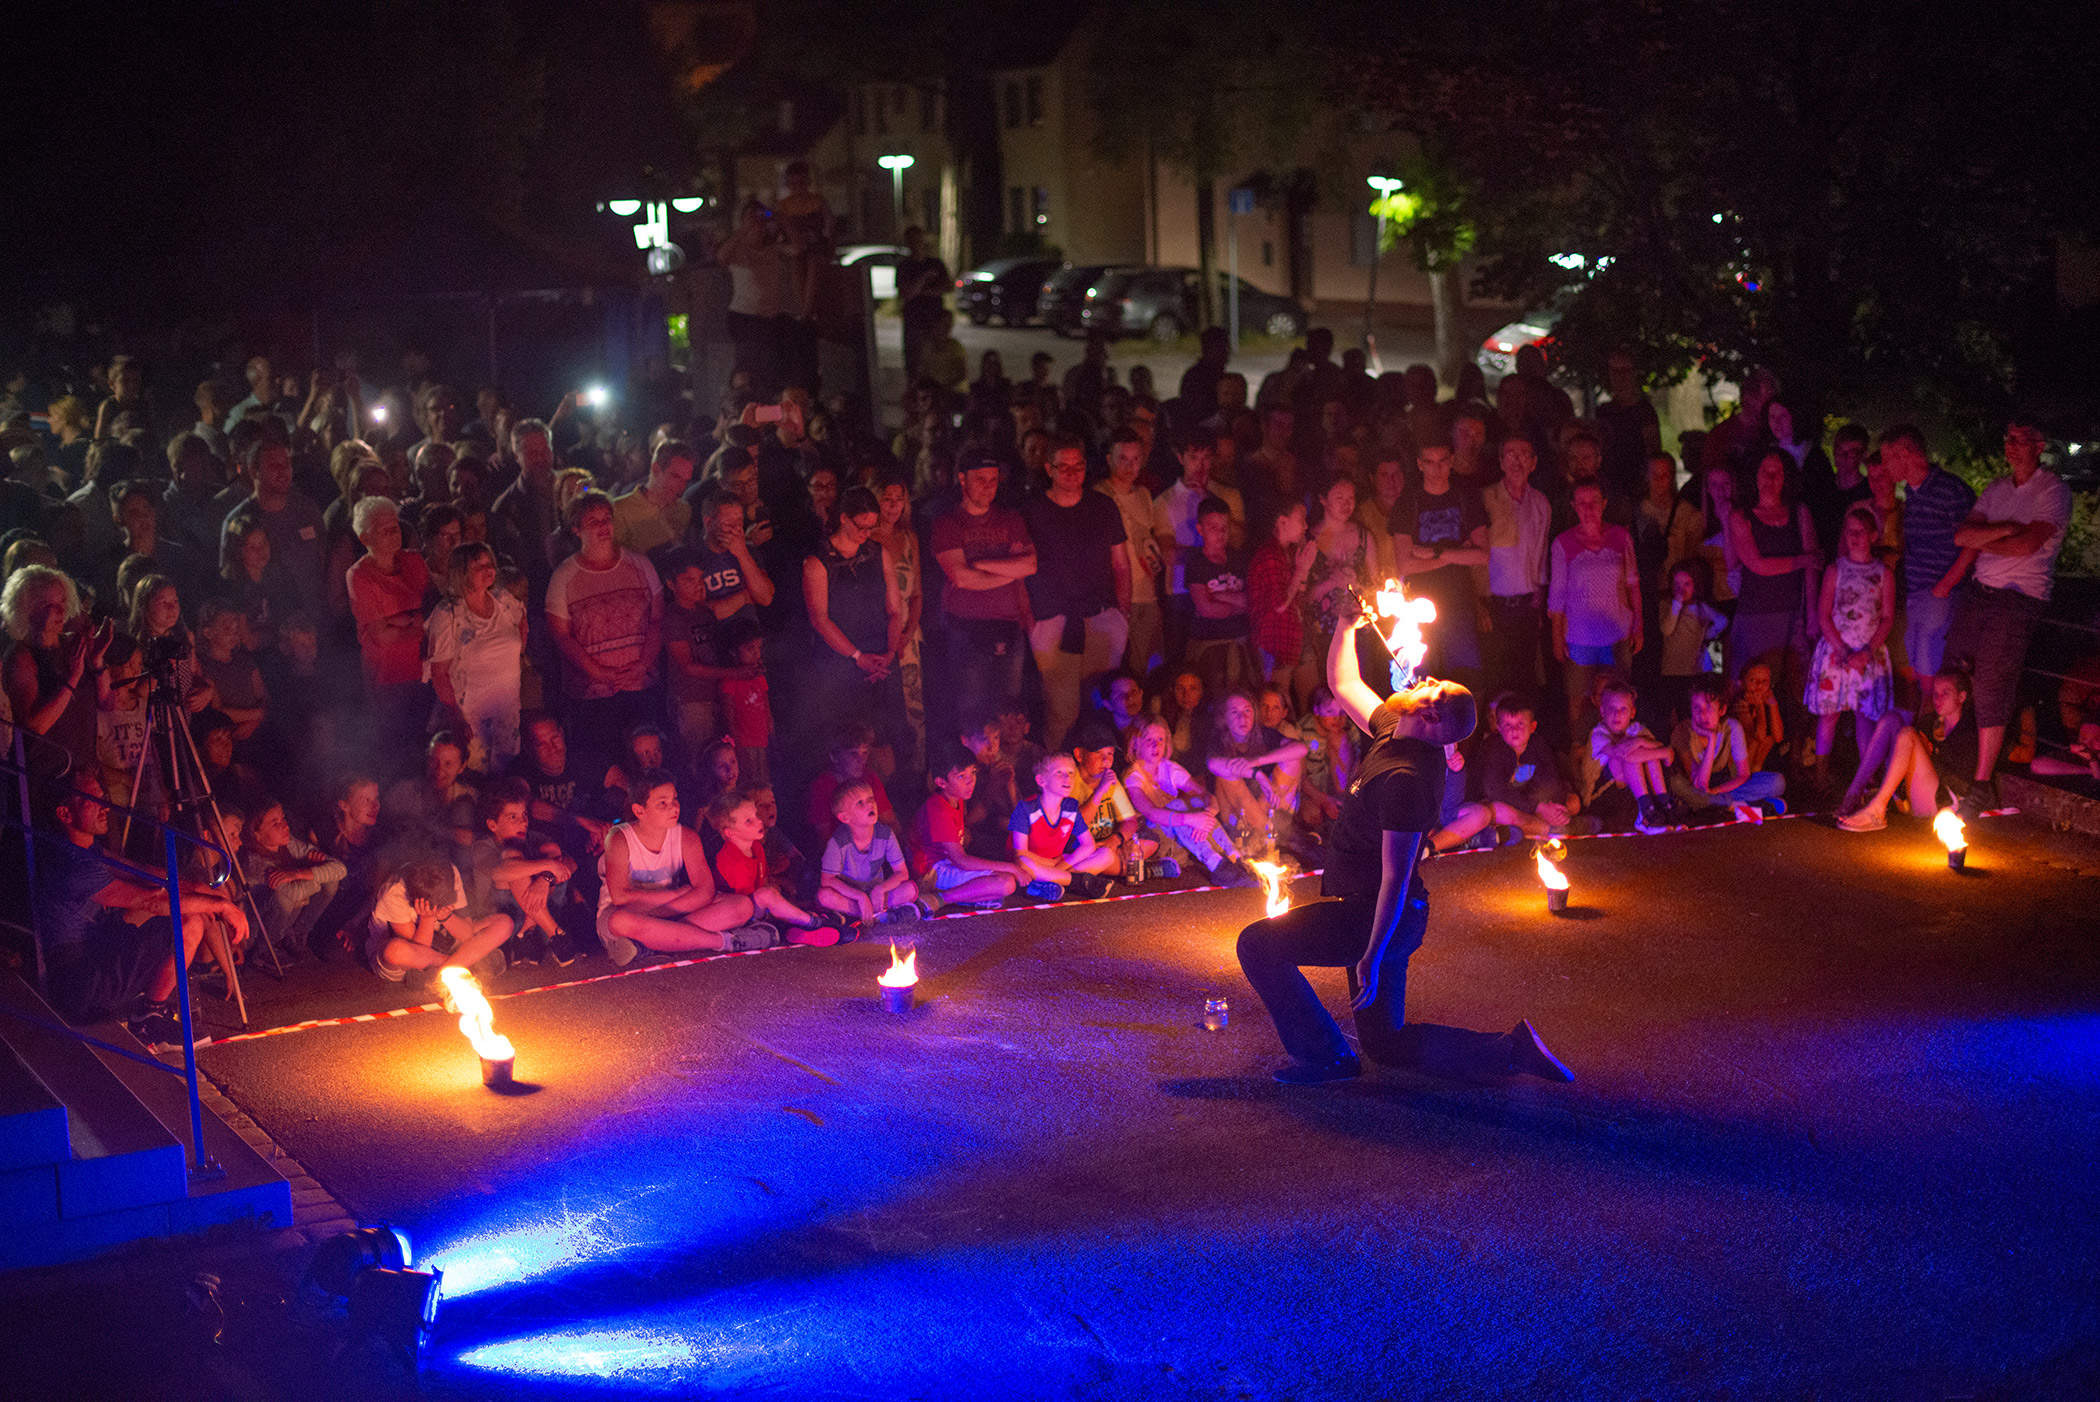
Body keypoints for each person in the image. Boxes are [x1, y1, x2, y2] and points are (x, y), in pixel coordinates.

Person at [1234, 599, 1570, 1086]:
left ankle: (1326, 1057)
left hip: (1378, 916)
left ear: (1429, 716)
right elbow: (1344, 683)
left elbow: (1395, 875)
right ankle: (1510, 1049)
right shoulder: (1395, 727)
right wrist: (1347, 625)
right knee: (1385, 1043)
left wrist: (1371, 954)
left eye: (1435, 688)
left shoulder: (1408, 778)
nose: (1425, 679)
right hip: (1379, 912)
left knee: (1257, 945)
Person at [33, 775, 244, 1048]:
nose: (105, 807)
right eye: (92, 800)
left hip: (94, 956)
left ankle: (149, 1011)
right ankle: (147, 1017)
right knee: (188, 922)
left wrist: (200, 888)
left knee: (186, 914)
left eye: (103, 798)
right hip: (81, 981)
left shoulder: (86, 850)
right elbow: (152, 901)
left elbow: (142, 872)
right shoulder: (72, 864)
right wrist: (220, 905)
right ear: (65, 814)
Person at [1940, 415, 2074, 800]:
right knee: (1953, 672)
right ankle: (1949, 763)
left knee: (1991, 684)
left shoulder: (2053, 491)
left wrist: (1986, 538)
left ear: (2038, 445)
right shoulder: (1997, 489)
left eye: (2019, 439)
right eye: (2008, 437)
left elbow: (2026, 546)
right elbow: (1962, 535)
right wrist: (2004, 529)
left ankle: (1981, 783)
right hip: (1981, 590)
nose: (2010, 445)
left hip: (2019, 597)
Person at [1025, 436, 1133, 749]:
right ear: (1049, 469)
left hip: (1102, 617)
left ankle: (1106, 770)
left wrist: (1122, 615)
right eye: (1064, 467)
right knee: (1060, 711)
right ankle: (1059, 772)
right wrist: (1030, 621)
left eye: (1079, 466)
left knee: (1102, 706)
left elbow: (1121, 564)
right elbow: (1021, 571)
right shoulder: (1033, 511)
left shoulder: (1103, 506)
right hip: (1053, 621)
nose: (1072, 474)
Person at [545, 490, 663, 769]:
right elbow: (561, 635)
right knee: (605, 765)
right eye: (593, 521)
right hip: (592, 695)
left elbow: (658, 620)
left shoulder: (640, 565)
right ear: (577, 529)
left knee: (645, 762)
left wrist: (642, 665)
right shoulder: (564, 576)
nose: (603, 526)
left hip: (640, 687)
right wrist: (598, 672)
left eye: (607, 519)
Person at [598, 769, 764, 964]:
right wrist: (675, 895)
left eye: (674, 799)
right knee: (621, 921)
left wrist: (663, 913)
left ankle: (651, 944)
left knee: (742, 906)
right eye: (662, 803)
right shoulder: (619, 839)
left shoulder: (687, 837)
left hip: (672, 912)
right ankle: (725, 941)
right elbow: (621, 897)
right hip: (629, 914)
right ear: (639, 811)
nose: (674, 807)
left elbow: (705, 891)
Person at [1725, 451, 1821, 753]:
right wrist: (1801, 560)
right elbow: (1756, 564)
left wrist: (1812, 612)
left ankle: (1789, 754)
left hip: (1792, 612)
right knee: (1750, 687)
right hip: (1756, 612)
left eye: (1777, 471)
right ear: (1754, 475)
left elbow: (1813, 568)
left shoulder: (1800, 513)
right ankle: (1746, 757)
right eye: (1765, 470)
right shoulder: (1741, 516)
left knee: (1790, 686)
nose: (1770, 478)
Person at [931, 450, 1036, 724]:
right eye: (981, 479)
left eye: (993, 480)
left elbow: (1030, 565)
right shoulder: (947, 523)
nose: (989, 486)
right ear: (962, 479)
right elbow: (961, 578)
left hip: (1009, 626)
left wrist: (981, 564)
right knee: (972, 714)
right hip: (966, 629)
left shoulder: (1011, 518)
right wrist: (1009, 569)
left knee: (1009, 712)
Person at [804, 485, 907, 758]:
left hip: (882, 658)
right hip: (841, 663)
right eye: (861, 527)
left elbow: (895, 611)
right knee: (850, 744)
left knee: (886, 739)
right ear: (844, 518)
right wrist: (858, 656)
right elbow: (820, 619)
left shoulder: (877, 553)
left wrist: (890, 652)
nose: (867, 534)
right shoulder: (818, 561)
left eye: (872, 527)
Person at [1802, 506, 1895, 800]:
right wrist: (1842, 650)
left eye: (1860, 532)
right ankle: (1821, 778)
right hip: (1837, 652)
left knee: (1864, 716)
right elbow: (1824, 613)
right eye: (1849, 531)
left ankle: (1866, 780)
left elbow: (1887, 618)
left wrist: (1867, 652)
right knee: (1829, 715)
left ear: (1873, 535)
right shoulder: (1836, 569)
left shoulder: (1883, 574)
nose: (1854, 537)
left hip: (1868, 654)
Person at [1391, 440, 1490, 691]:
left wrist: (1435, 552)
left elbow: (1482, 555)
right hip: (1418, 607)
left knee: (1465, 682)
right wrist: (1458, 552)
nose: (1437, 468)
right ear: (1420, 464)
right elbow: (1405, 565)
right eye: (1430, 462)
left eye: (1442, 461)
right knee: (1420, 684)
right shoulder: (1408, 502)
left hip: (1459, 604)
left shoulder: (1466, 498)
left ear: (1452, 461)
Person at [1883, 424, 1975, 685]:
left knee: (1932, 673)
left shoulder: (1951, 490)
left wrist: (1945, 586)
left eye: (1888, 458)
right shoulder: (1912, 493)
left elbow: (1973, 543)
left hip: (1940, 592)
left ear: (1904, 454)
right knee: (1916, 667)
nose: (1886, 466)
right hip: (1917, 591)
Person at [1434, 693, 1586, 847]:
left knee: (1572, 802)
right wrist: (1539, 807)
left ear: (1532, 726)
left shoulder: (1538, 745)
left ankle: (1538, 827)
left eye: (1520, 724)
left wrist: (1553, 806)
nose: (1514, 730)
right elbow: (1496, 792)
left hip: (1527, 803)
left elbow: (1550, 780)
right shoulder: (1492, 748)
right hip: (1498, 805)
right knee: (1503, 812)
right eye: (1507, 725)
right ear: (1499, 727)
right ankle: (1551, 829)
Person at [2, 564, 111, 780]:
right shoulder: (20, 657)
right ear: (27, 609)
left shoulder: (74, 645)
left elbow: (108, 703)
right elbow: (35, 727)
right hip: (46, 780)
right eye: (49, 604)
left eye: (62, 601)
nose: (61, 610)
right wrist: (72, 680)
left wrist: (98, 661)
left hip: (84, 777)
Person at [1548, 482, 1642, 732]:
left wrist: (1639, 626)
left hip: (1617, 632)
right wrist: (1557, 635)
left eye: (1594, 502)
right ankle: (1580, 747)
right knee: (1578, 697)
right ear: (1573, 506)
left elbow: (1633, 584)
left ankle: (1617, 748)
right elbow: (1557, 593)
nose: (1588, 509)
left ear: (1604, 504)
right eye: (1582, 503)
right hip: (1579, 635)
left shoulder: (1621, 537)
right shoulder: (1563, 542)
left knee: (1619, 697)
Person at [1839, 671, 1980, 832]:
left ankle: (1876, 810)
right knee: (1891, 719)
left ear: (1961, 697)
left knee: (1908, 734)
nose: (1938, 698)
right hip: (1912, 795)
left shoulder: (1969, 732)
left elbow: (1962, 785)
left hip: (1944, 802)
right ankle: (1853, 795)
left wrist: (1931, 755)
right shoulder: (1929, 722)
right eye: (1935, 693)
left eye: (1945, 693)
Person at [345, 496, 431, 754]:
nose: (395, 533)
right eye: (385, 530)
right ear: (365, 538)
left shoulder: (414, 562)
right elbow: (381, 636)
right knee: (395, 747)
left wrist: (399, 621)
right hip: (387, 679)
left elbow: (432, 617)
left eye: (396, 526)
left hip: (423, 671)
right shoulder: (359, 576)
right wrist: (417, 621)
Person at [1123, 717, 1251, 884]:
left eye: (1160, 739)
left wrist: (1207, 815)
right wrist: (1190, 819)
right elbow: (1151, 813)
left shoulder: (1169, 767)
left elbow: (1207, 796)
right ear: (1135, 743)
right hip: (1150, 839)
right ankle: (1216, 864)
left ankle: (1235, 858)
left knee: (1198, 803)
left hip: (1177, 834)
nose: (1156, 746)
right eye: (1149, 740)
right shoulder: (1133, 776)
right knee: (1178, 806)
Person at [709, 788, 845, 941]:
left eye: (756, 815)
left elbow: (763, 882)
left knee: (772, 891)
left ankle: (798, 927)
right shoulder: (731, 859)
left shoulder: (756, 847)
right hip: (738, 914)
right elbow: (745, 901)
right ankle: (812, 922)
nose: (759, 821)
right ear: (730, 832)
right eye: (748, 821)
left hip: (754, 908)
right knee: (767, 895)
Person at [906, 743, 1028, 909]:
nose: (971, 781)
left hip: (947, 864)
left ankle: (967, 896)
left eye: (973, 772)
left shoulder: (956, 799)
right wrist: (1011, 867)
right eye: (962, 776)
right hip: (929, 872)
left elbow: (971, 821)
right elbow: (961, 860)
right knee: (1006, 882)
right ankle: (939, 899)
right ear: (941, 782)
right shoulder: (938, 809)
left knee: (1000, 878)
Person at [367, 857, 513, 989]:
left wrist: (447, 917)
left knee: (504, 923)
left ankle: (446, 971)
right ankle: (467, 964)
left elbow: (466, 933)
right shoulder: (394, 892)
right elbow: (420, 953)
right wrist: (427, 919)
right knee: (395, 951)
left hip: (445, 942)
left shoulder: (449, 873)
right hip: (411, 959)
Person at [1480, 437, 1553, 701]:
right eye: (1511, 454)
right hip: (1494, 605)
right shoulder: (1486, 499)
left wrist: (1539, 597)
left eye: (1524, 454)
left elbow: (1542, 552)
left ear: (1533, 462)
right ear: (1501, 461)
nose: (1517, 460)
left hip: (1527, 605)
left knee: (1525, 676)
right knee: (1495, 676)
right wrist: (1479, 603)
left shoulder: (1541, 503)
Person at [239, 797, 347, 963]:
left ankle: (296, 934)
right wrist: (307, 871)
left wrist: (299, 872)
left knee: (330, 880)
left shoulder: (288, 844)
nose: (284, 826)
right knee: (285, 898)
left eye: (283, 818)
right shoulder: (254, 861)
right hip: (253, 931)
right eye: (275, 823)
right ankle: (262, 951)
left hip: (281, 921)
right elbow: (293, 893)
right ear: (257, 834)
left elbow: (340, 869)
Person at [1009, 752, 1123, 901]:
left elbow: (1088, 845)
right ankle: (1077, 882)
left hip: (1057, 863)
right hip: (1032, 864)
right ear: (1041, 780)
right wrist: (1053, 863)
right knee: (1023, 863)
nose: (1067, 778)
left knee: (1106, 855)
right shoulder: (1026, 808)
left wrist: (1058, 867)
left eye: (1071, 773)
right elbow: (1020, 853)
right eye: (1059, 772)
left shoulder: (1070, 806)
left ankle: (1048, 883)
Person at [1668, 678, 1788, 818]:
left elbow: (1743, 775)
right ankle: (1741, 806)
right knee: (1678, 785)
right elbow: (1700, 784)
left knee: (1777, 782)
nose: (1702, 715)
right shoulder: (1683, 732)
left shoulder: (1731, 727)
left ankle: (1721, 805)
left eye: (1709, 708)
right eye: (1696, 707)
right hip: (1695, 786)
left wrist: (1717, 790)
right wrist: (1712, 739)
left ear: (1722, 710)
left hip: (1723, 786)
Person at [1098, 429, 1165, 676]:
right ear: (1109, 459)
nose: (1130, 466)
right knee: (1120, 671)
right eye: (1123, 459)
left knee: (1152, 667)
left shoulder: (1144, 495)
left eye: (1136, 459)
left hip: (1147, 594)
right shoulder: (1100, 496)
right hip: (1117, 597)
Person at [817, 781, 922, 927]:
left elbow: (902, 873)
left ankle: (862, 917)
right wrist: (860, 897)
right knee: (824, 896)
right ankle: (880, 916)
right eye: (860, 803)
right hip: (851, 897)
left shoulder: (886, 834)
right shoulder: (838, 841)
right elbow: (827, 880)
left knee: (910, 889)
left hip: (876, 895)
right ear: (845, 817)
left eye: (870, 798)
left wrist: (881, 888)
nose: (870, 804)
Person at [1247, 498, 1319, 707]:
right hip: (1275, 641)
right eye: (1301, 520)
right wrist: (1300, 570)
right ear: (1282, 521)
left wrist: (1304, 572)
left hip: (1296, 635)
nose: (1306, 526)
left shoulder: (1288, 552)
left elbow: (1298, 599)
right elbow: (1279, 604)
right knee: (1276, 706)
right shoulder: (1269, 555)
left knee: (1313, 701)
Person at [1183, 495, 1255, 697]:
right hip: (1208, 645)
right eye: (1213, 527)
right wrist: (1238, 603)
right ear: (1200, 529)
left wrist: (1221, 596)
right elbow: (1205, 609)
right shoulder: (1196, 563)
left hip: (1240, 642)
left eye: (1224, 527)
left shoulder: (1239, 559)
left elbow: (1252, 601)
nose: (1221, 533)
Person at [1590, 677, 1682, 833]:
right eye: (1612, 709)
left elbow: (1656, 745)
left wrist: (1639, 741)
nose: (1617, 714)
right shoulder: (1598, 734)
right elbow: (1624, 755)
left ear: (1632, 712)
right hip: (1608, 789)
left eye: (1623, 709)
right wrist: (1665, 752)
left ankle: (1664, 801)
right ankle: (1645, 812)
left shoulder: (1636, 729)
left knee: (1650, 757)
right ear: (1602, 711)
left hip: (1635, 782)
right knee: (1633, 755)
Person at [611, 439, 696, 557]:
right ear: (656, 469)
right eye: (675, 476)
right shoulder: (618, 511)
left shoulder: (684, 510)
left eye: (685, 480)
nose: (682, 486)